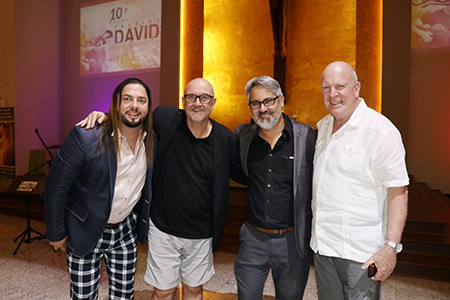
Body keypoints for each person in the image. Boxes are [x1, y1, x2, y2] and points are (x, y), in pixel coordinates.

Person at [79, 78, 246, 300]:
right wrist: (106, 117)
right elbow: (133, 117)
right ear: (183, 101)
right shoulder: (166, 119)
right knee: (163, 291)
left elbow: (242, 174)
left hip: (202, 233)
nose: (197, 103)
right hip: (163, 230)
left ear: (213, 102)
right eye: (191, 97)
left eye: (204, 98)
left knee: (194, 290)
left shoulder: (226, 139)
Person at [44, 77, 155, 299]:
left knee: (124, 295)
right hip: (84, 229)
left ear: (148, 107)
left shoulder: (153, 141)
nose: (134, 105)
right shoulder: (85, 137)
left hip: (125, 232)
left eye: (141, 100)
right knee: (84, 296)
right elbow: (56, 188)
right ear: (116, 104)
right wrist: (55, 233)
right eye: (127, 99)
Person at [311, 61, 409, 300]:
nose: (333, 94)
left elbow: (398, 191)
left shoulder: (380, 131)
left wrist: (390, 248)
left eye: (340, 86)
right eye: (326, 87)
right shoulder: (322, 127)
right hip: (323, 250)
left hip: (361, 255)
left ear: (356, 89)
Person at [234, 76, 316, 299]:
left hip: (291, 241)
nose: (263, 109)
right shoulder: (243, 136)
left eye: (268, 101)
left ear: (281, 100)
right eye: (255, 103)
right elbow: (239, 173)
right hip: (253, 239)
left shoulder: (307, 137)